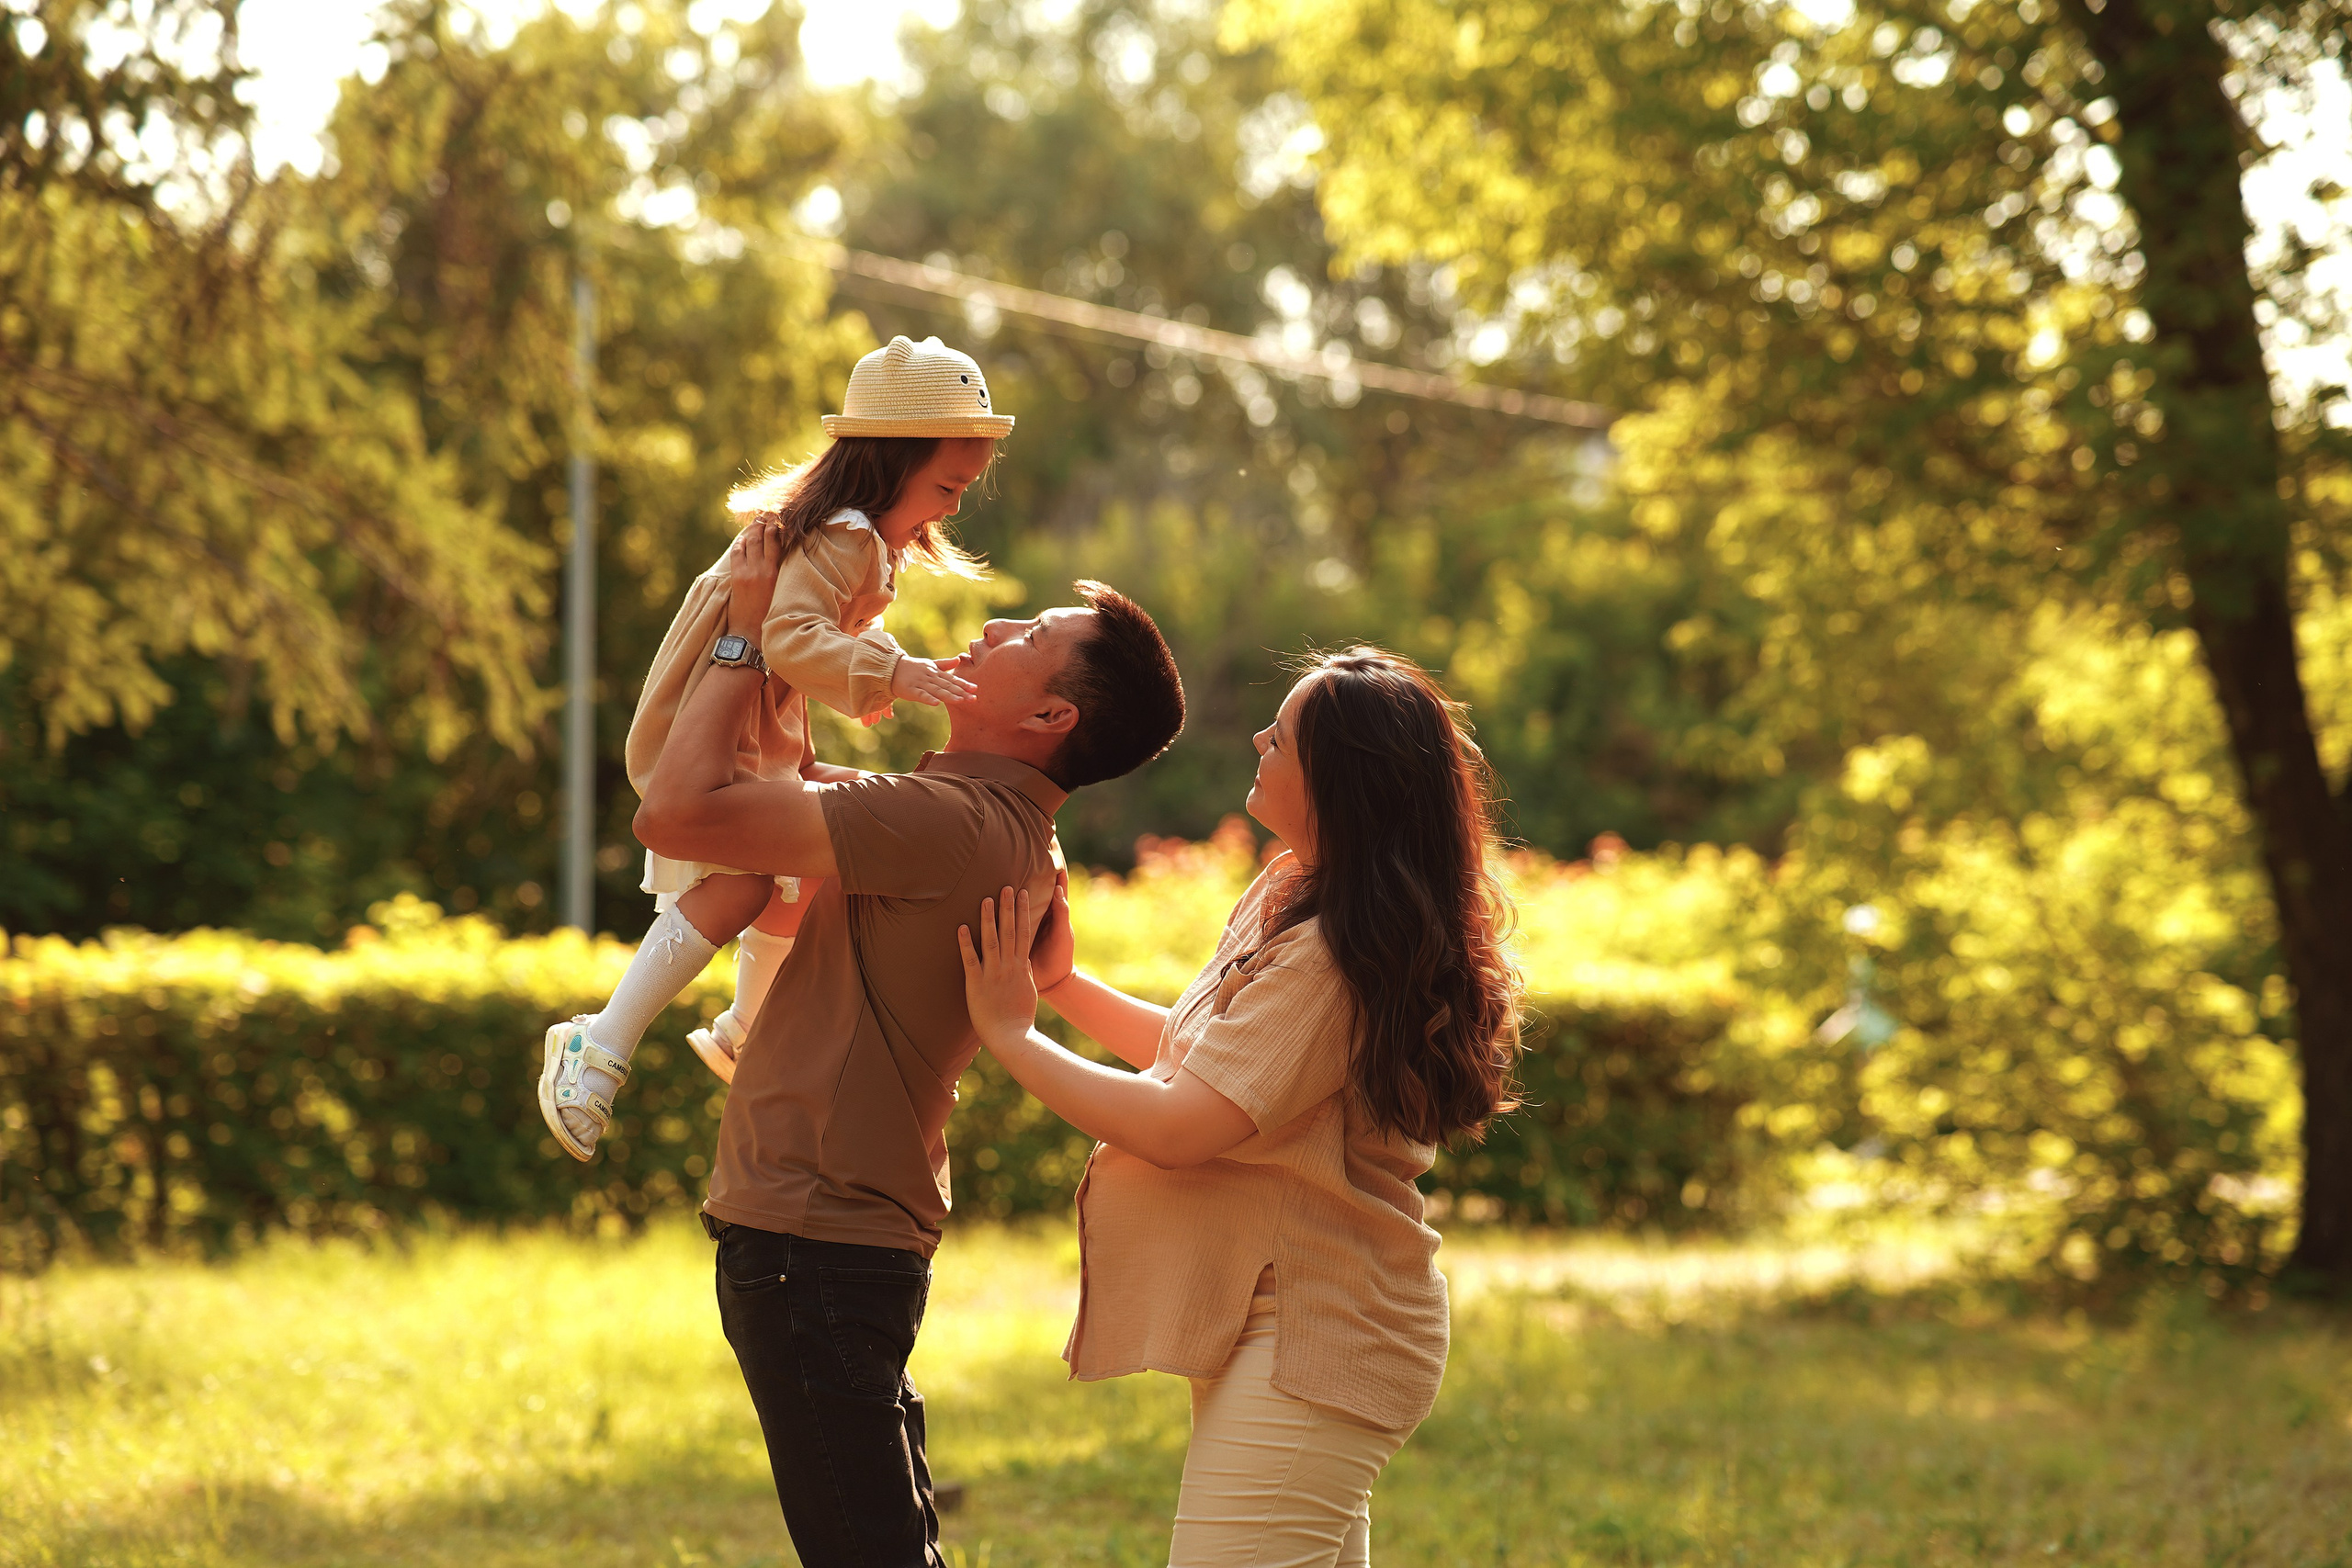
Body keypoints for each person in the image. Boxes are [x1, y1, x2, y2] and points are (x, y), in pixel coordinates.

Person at [633, 516, 1187, 1566]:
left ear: (1050, 713)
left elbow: (677, 810)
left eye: (1031, 635)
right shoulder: (987, 822)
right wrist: (815, 634)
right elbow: (777, 773)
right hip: (839, 1243)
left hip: (813, 1244)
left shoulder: (947, 825)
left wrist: (751, 633)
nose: (996, 623)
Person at [958, 648, 1523, 1568]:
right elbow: (1212, 1063)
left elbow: (1183, 1125)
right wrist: (1059, 985)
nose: (1260, 738)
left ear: (1341, 778)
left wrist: (1012, 1037)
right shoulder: (1294, 891)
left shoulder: (1330, 951)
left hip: (1316, 1336)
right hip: (1289, 1324)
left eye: (1286, 735)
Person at [537, 334, 1011, 1160]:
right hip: (716, 720)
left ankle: (742, 1028)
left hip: (761, 722)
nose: (953, 507)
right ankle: (601, 1041)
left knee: (808, 855)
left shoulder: (864, 540)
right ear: (892, 462)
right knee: (749, 878)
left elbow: (809, 635)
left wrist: (861, 674)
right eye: (946, 485)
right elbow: (788, 637)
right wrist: (891, 674)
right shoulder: (846, 534)